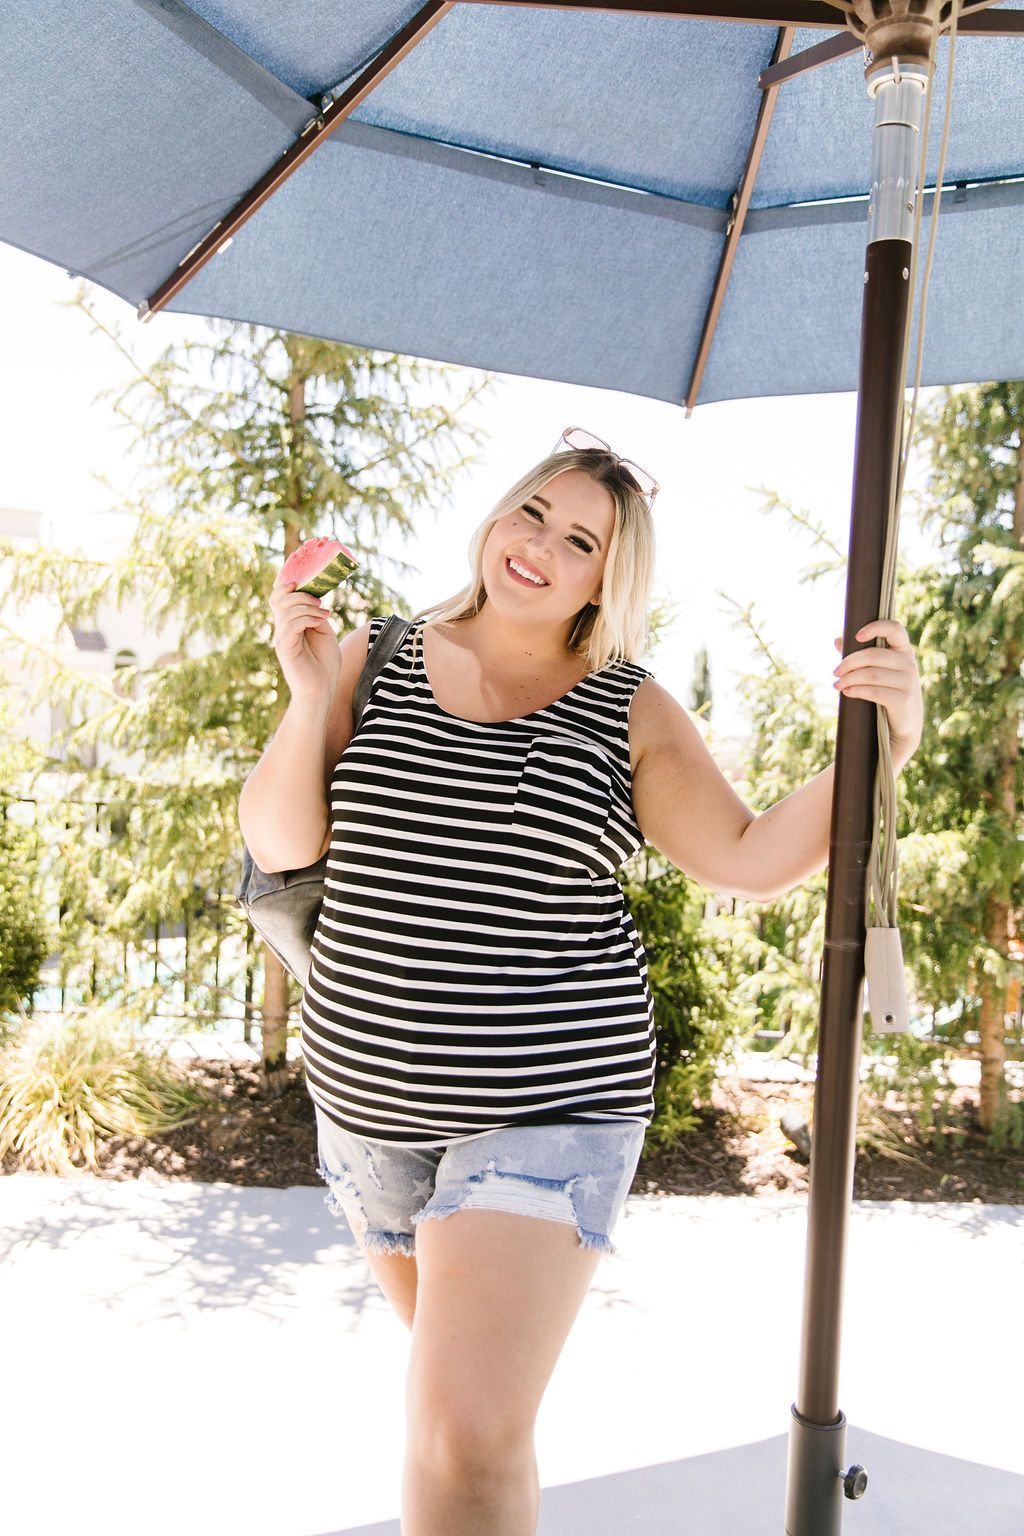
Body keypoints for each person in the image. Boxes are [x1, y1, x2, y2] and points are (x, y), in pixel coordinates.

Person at [238, 426, 924, 1536]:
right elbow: (280, 841)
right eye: (531, 514)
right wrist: (309, 692)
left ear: (608, 577)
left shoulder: (625, 704)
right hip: (369, 1116)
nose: (540, 545)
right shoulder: (375, 653)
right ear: (495, 517)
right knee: (462, 1430)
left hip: (550, 1106)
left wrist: (882, 744)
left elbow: (745, 857)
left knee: (466, 1431)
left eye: (579, 540)